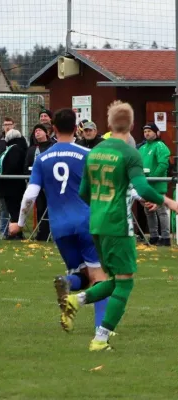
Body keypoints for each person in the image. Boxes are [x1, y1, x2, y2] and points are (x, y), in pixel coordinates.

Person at [60, 101, 178, 351]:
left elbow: (83, 192)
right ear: (132, 125)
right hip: (118, 226)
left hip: (96, 224)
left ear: (109, 125)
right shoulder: (129, 153)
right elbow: (144, 188)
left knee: (117, 278)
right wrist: (169, 202)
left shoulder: (94, 152)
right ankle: (101, 338)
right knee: (125, 282)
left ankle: (76, 299)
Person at [8, 108, 109, 333]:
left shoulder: (42, 159)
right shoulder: (86, 154)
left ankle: (66, 282)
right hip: (86, 222)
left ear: (52, 128)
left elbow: (29, 196)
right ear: (76, 128)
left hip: (59, 227)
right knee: (100, 277)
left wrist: (20, 223)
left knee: (80, 275)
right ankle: (102, 330)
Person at [139, 122, 171, 246]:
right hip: (146, 184)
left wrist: (153, 177)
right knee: (148, 210)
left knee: (161, 210)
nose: (146, 133)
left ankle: (166, 237)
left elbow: (163, 164)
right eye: (145, 132)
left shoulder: (160, 146)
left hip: (156, 184)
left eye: (149, 131)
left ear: (156, 132)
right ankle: (153, 236)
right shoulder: (142, 148)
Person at [0, 128, 28, 240]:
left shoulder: (14, 150)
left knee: (14, 209)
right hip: (10, 185)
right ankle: (12, 232)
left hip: (12, 185)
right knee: (12, 209)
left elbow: (13, 166)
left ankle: (15, 232)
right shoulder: (14, 149)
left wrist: (5, 174)